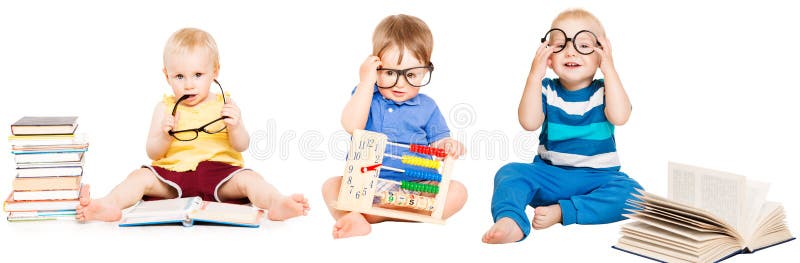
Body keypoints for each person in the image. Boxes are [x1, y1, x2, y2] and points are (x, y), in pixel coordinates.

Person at [76, 28, 309, 222]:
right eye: (179, 77)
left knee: (250, 179)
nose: (189, 85)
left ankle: (277, 203)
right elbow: (152, 151)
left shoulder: (225, 103)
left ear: (215, 71)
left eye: (198, 74)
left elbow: (241, 145)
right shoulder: (164, 108)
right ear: (167, 76)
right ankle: (109, 204)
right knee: (139, 177)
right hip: (173, 174)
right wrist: (165, 135)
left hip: (220, 173)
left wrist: (235, 127)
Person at [482, 9, 643, 244]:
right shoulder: (548, 89)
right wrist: (534, 75)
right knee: (510, 173)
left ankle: (564, 211)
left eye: (584, 45)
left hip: (597, 179)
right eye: (560, 44)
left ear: (601, 55)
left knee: (634, 195)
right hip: (550, 176)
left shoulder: (604, 89)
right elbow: (528, 122)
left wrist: (609, 68)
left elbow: (620, 116)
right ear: (549, 56)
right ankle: (511, 219)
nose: (571, 51)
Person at [321, 14, 468, 239]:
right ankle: (367, 215)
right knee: (331, 186)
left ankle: (374, 214)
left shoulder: (427, 107)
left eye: (410, 75)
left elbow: (439, 141)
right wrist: (366, 82)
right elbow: (351, 125)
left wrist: (448, 144)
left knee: (458, 191)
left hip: (418, 186)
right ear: (376, 66)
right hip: (368, 185)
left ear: (425, 71)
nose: (399, 83)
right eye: (389, 73)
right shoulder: (366, 96)